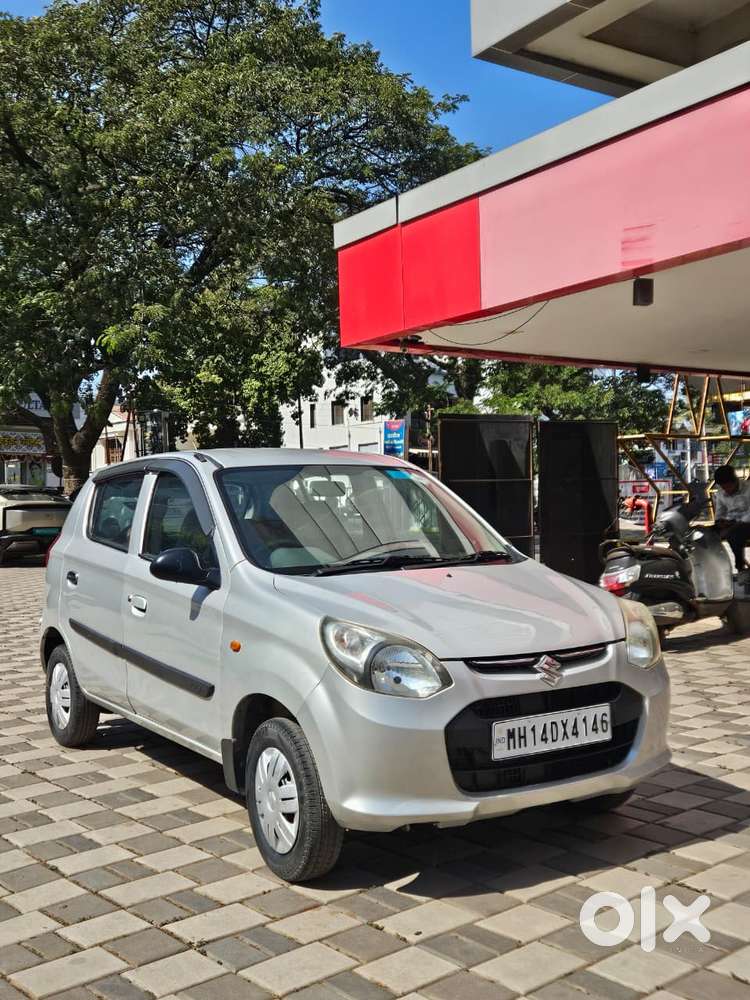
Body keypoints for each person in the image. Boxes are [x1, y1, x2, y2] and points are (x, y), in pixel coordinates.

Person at [713, 465, 750, 574]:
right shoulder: (721, 492)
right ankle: (715, 568)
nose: (726, 490)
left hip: (746, 522)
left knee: (734, 535)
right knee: (705, 534)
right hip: (731, 522)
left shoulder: (748, 489)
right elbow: (720, 512)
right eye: (723, 487)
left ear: (735, 481)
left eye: (728, 487)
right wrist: (719, 522)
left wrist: (731, 527)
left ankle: (740, 567)